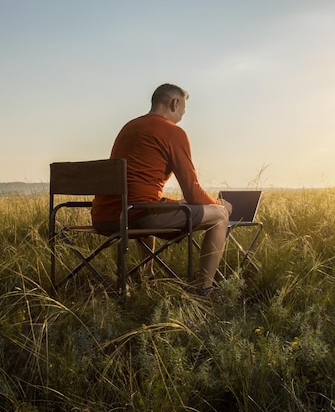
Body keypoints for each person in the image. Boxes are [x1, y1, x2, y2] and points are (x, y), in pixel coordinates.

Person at [91, 83, 232, 296]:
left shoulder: (130, 127)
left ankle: (147, 277)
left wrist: (184, 204)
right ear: (175, 103)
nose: (183, 115)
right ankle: (205, 288)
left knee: (159, 205)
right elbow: (192, 191)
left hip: (105, 216)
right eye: (183, 109)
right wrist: (218, 203)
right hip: (139, 215)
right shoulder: (173, 132)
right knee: (220, 216)